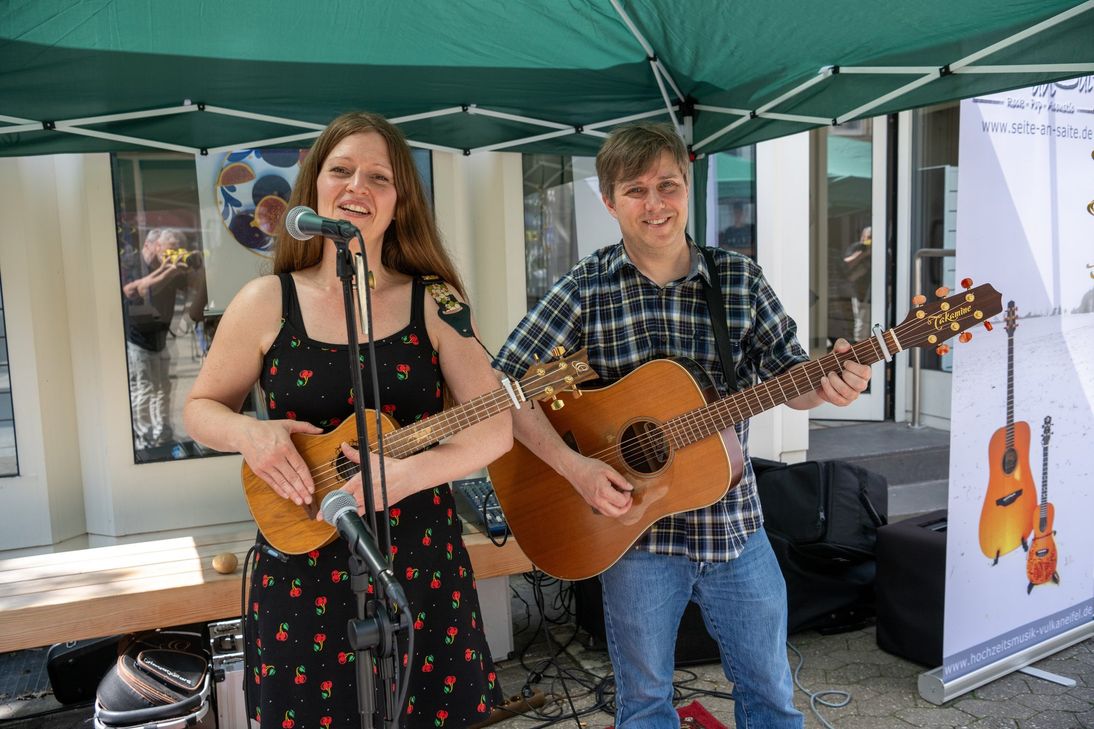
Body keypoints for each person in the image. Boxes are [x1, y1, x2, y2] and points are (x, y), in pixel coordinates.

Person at [493, 122, 871, 729]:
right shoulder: (585, 290)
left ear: (687, 189)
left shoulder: (738, 279)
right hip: (633, 533)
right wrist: (577, 467)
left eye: (667, 185)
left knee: (773, 700)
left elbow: (789, 375)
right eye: (636, 190)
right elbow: (502, 383)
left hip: (734, 525)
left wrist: (830, 383)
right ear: (609, 201)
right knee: (644, 709)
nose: (655, 204)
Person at [183, 112, 512, 728]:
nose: (358, 185)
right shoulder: (266, 301)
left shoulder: (437, 300)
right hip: (301, 564)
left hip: (421, 564)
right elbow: (200, 409)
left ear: (399, 200)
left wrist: (411, 476)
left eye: (379, 176)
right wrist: (250, 433)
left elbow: (492, 428)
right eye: (341, 170)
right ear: (314, 189)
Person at [122, 227, 201, 451]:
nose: (175, 253)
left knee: (163, 387)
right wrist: (170, 270)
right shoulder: (135, 265)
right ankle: (142, 435)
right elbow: (139, 290)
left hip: (160, 338)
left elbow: (194, 289)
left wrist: (193, 267)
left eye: (179, 249)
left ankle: (162, 430)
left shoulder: (169, 266)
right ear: (156, 246)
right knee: (144, 388)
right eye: (171, 248)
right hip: (138, 340)